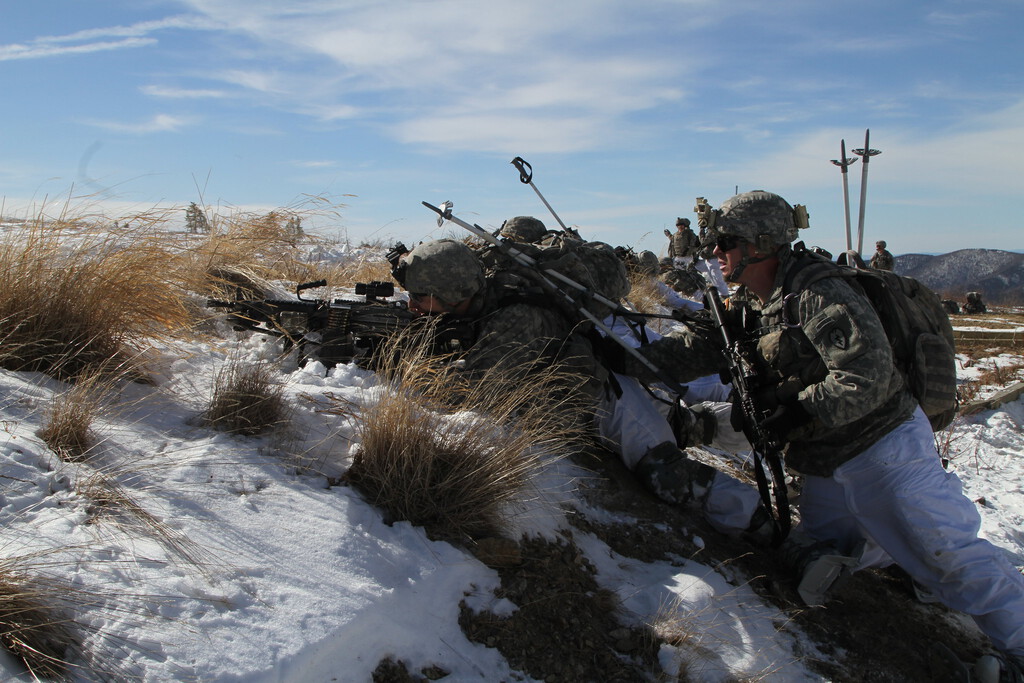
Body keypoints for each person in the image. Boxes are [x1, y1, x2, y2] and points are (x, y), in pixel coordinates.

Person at [617, 190, 1024, 681]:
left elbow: (866, 376)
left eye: (726, 242)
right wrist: (629, 361)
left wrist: (795, 413)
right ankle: (908, 564)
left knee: (948, 552)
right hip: (829, 462)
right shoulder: (753, 299)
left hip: (885, 448)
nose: (715, 253)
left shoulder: (816, 292)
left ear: (762, 243)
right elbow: (706, 346)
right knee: (822, 559)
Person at [394, 236, 762, 537]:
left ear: (453, 290)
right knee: (685, 425)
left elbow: (480, 392)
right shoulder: (483, 294)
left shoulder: (517, 318)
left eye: (420, 297)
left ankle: (760, 521)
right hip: (595, 388)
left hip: (609, 399)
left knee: (667, 473)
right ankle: (759, 428)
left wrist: (413, 369)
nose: (412, 306)